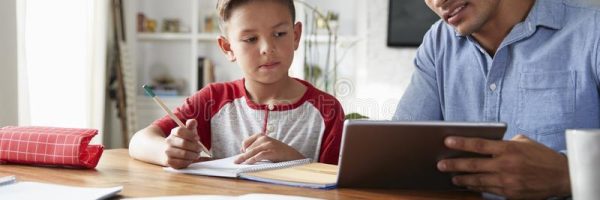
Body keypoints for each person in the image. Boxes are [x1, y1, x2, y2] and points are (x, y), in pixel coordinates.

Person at [394, 0, 599, 198]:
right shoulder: (438, 42)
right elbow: (396, 156)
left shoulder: (593, 29)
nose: (438, 2)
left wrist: (567, 175)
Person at [129, 0, 345, 169]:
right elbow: (139, 141)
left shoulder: (327, 109)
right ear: (227, 47)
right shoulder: (213, 100)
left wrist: (294, 161)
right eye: (251, 39)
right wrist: (166, 151)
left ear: (296, 36)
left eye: (279, 34)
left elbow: (340, 184)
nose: (267, 48)